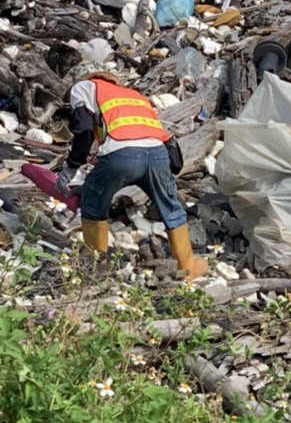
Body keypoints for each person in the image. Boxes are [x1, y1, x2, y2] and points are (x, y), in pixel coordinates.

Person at [56, 70, 208, 280]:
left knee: (93, 204)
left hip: (122, 156)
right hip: (158, 155)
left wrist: (72, 166)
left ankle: (96, 267)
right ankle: (186, 269)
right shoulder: (133, 95)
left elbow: (83, 130)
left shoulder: (84, 87)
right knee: (171, 208)